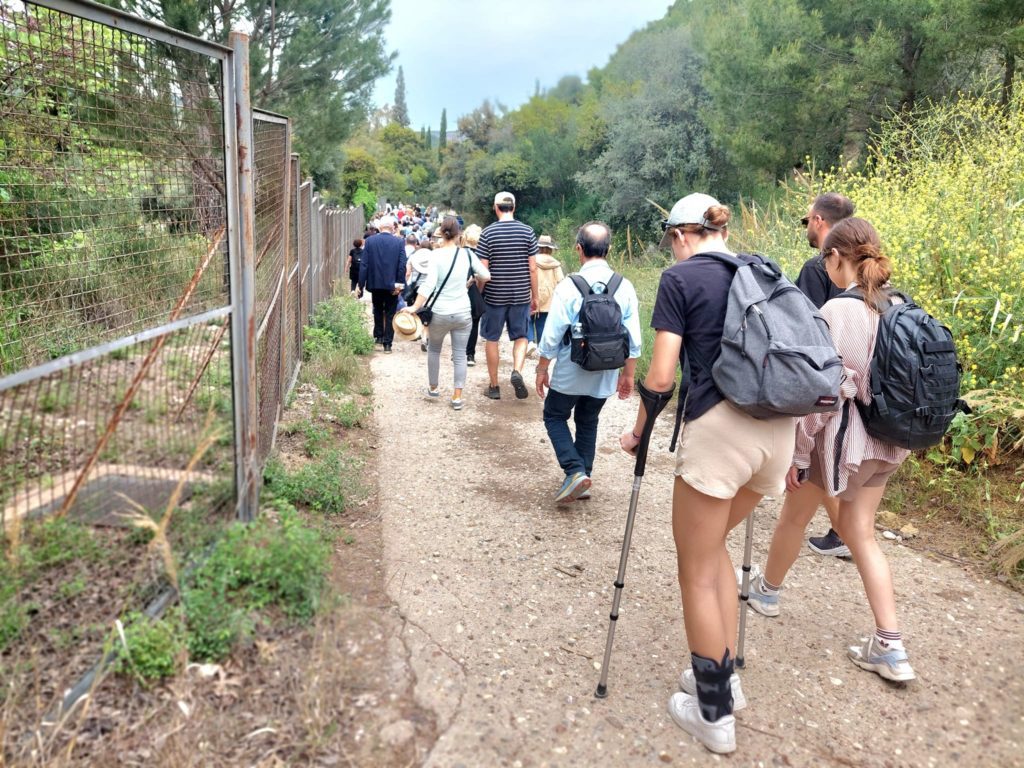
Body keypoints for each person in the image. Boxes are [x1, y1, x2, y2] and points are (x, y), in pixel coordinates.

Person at [620, 193, 794, 755]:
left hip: (721, 434)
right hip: (778, 433)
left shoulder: (680, 279)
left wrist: (639, 430)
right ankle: (721, 678)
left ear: (679, 235)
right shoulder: (764, 270)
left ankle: (713, 714)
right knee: (712, 544)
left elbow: (663, 373)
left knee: (694, 564)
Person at [747, 217, 916, 684]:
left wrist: (798, 456)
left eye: (827, 259)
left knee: (793, 517)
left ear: (836, 258)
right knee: (861, 531)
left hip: (841, 445)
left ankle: (766, 592)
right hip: (890, 441)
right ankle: (890, 643)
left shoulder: (839, 312)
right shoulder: (899, 304)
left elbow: (825, 395)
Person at [535, 222, 640, 502]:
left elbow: (553, 334)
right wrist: (628, 376)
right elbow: (634, 339)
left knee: (554, 415)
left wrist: (542, 368)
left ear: (579, 249)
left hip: (571, 370)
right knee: (588, 419)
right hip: (606, 370)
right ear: (609, 249)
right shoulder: (624, 286)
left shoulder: (569, 286)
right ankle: (583, 474)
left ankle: (574, 470)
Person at [795, 193, 856, 558]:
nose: (807, 227)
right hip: (861, 377)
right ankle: (846, 530)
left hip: (827, 377)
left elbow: (806, 329)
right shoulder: (866, 261)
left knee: (817, 454)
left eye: (806, 221)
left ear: (818, 221)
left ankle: (846, 533)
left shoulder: (816, 268)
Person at [400, 216, 490, 410]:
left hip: (439, 313)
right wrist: (472, 278)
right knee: (459, 354)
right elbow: (486, 275)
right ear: (459, 235)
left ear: (442, 233)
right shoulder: (467, 255)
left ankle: (433, 388)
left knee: (434, 349)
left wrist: (414, 307)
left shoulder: (436, 256)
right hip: (462, 313)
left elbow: (428, 286)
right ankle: (457, 397)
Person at [475, 191, 538, 400]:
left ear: (495, 208)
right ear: (514, 207)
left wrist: (479, 294)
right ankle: (517, 371)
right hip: (520, 294)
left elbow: (482, 272)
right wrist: (535, 296)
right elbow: (532, 269)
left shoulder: (487, 233)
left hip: (494, 296)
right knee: (520, 337)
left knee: (491, 339)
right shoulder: (528, 232)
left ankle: (494, 387)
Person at [357, 215, 406, 353]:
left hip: (375, 282)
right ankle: (388, 344)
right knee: (390, 313)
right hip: (392, 284)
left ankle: (378, 336)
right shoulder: (399, 242)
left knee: (377, 309)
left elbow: (364, 265)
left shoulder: (370, 241)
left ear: (379, 227)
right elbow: (402, 265)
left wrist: (360, 284)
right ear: (392, 227)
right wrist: (400, 284)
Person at [527, 234, 565, 359]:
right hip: (549, 297)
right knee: (542, 323)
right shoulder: (556, 264)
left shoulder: (532, 260)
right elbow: (561, 281)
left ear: (538, 247)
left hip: (532, 294)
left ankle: (530, 341)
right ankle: (540, 348)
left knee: (528, 319)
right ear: (550, 248)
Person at [461, 224, 483, 366]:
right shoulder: (482, 255)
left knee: (460, 323)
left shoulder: (459, 253)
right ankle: (470, 354)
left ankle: (458, 351)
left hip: (460, 291)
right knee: (474, 324)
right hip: (475, 291)